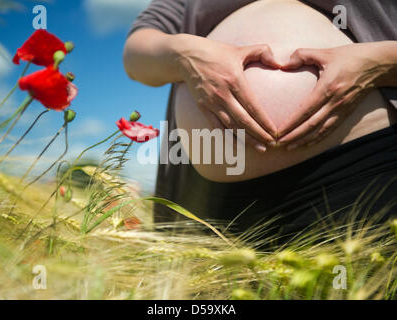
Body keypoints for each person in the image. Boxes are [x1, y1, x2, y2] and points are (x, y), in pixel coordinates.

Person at [124, 0, 397, 244]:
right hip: (201, 187)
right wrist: (181, 54)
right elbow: (134, 56)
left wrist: (380, 63)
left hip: (361, 162)